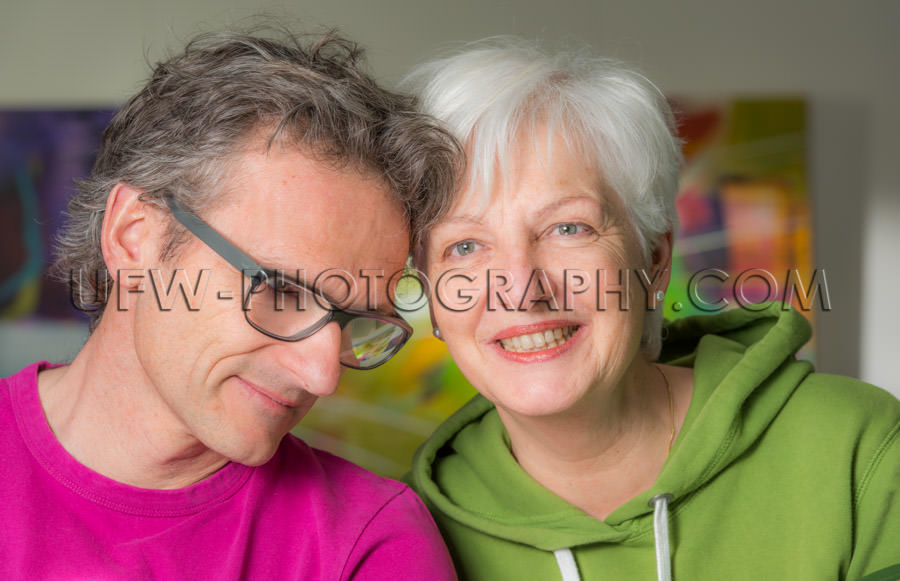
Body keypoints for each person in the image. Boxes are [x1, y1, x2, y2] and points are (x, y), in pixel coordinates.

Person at [403, 38, 900, 581]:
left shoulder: (859, 447)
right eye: (466, 247)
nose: (521, 289)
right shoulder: (405, 535)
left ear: (655, 262)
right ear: (432, 293)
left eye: (569, 228)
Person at [0, 28, 462, 579]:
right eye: (284, 291)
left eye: (356, 321)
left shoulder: (367, 543)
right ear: (134, 237)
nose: (322, 377)